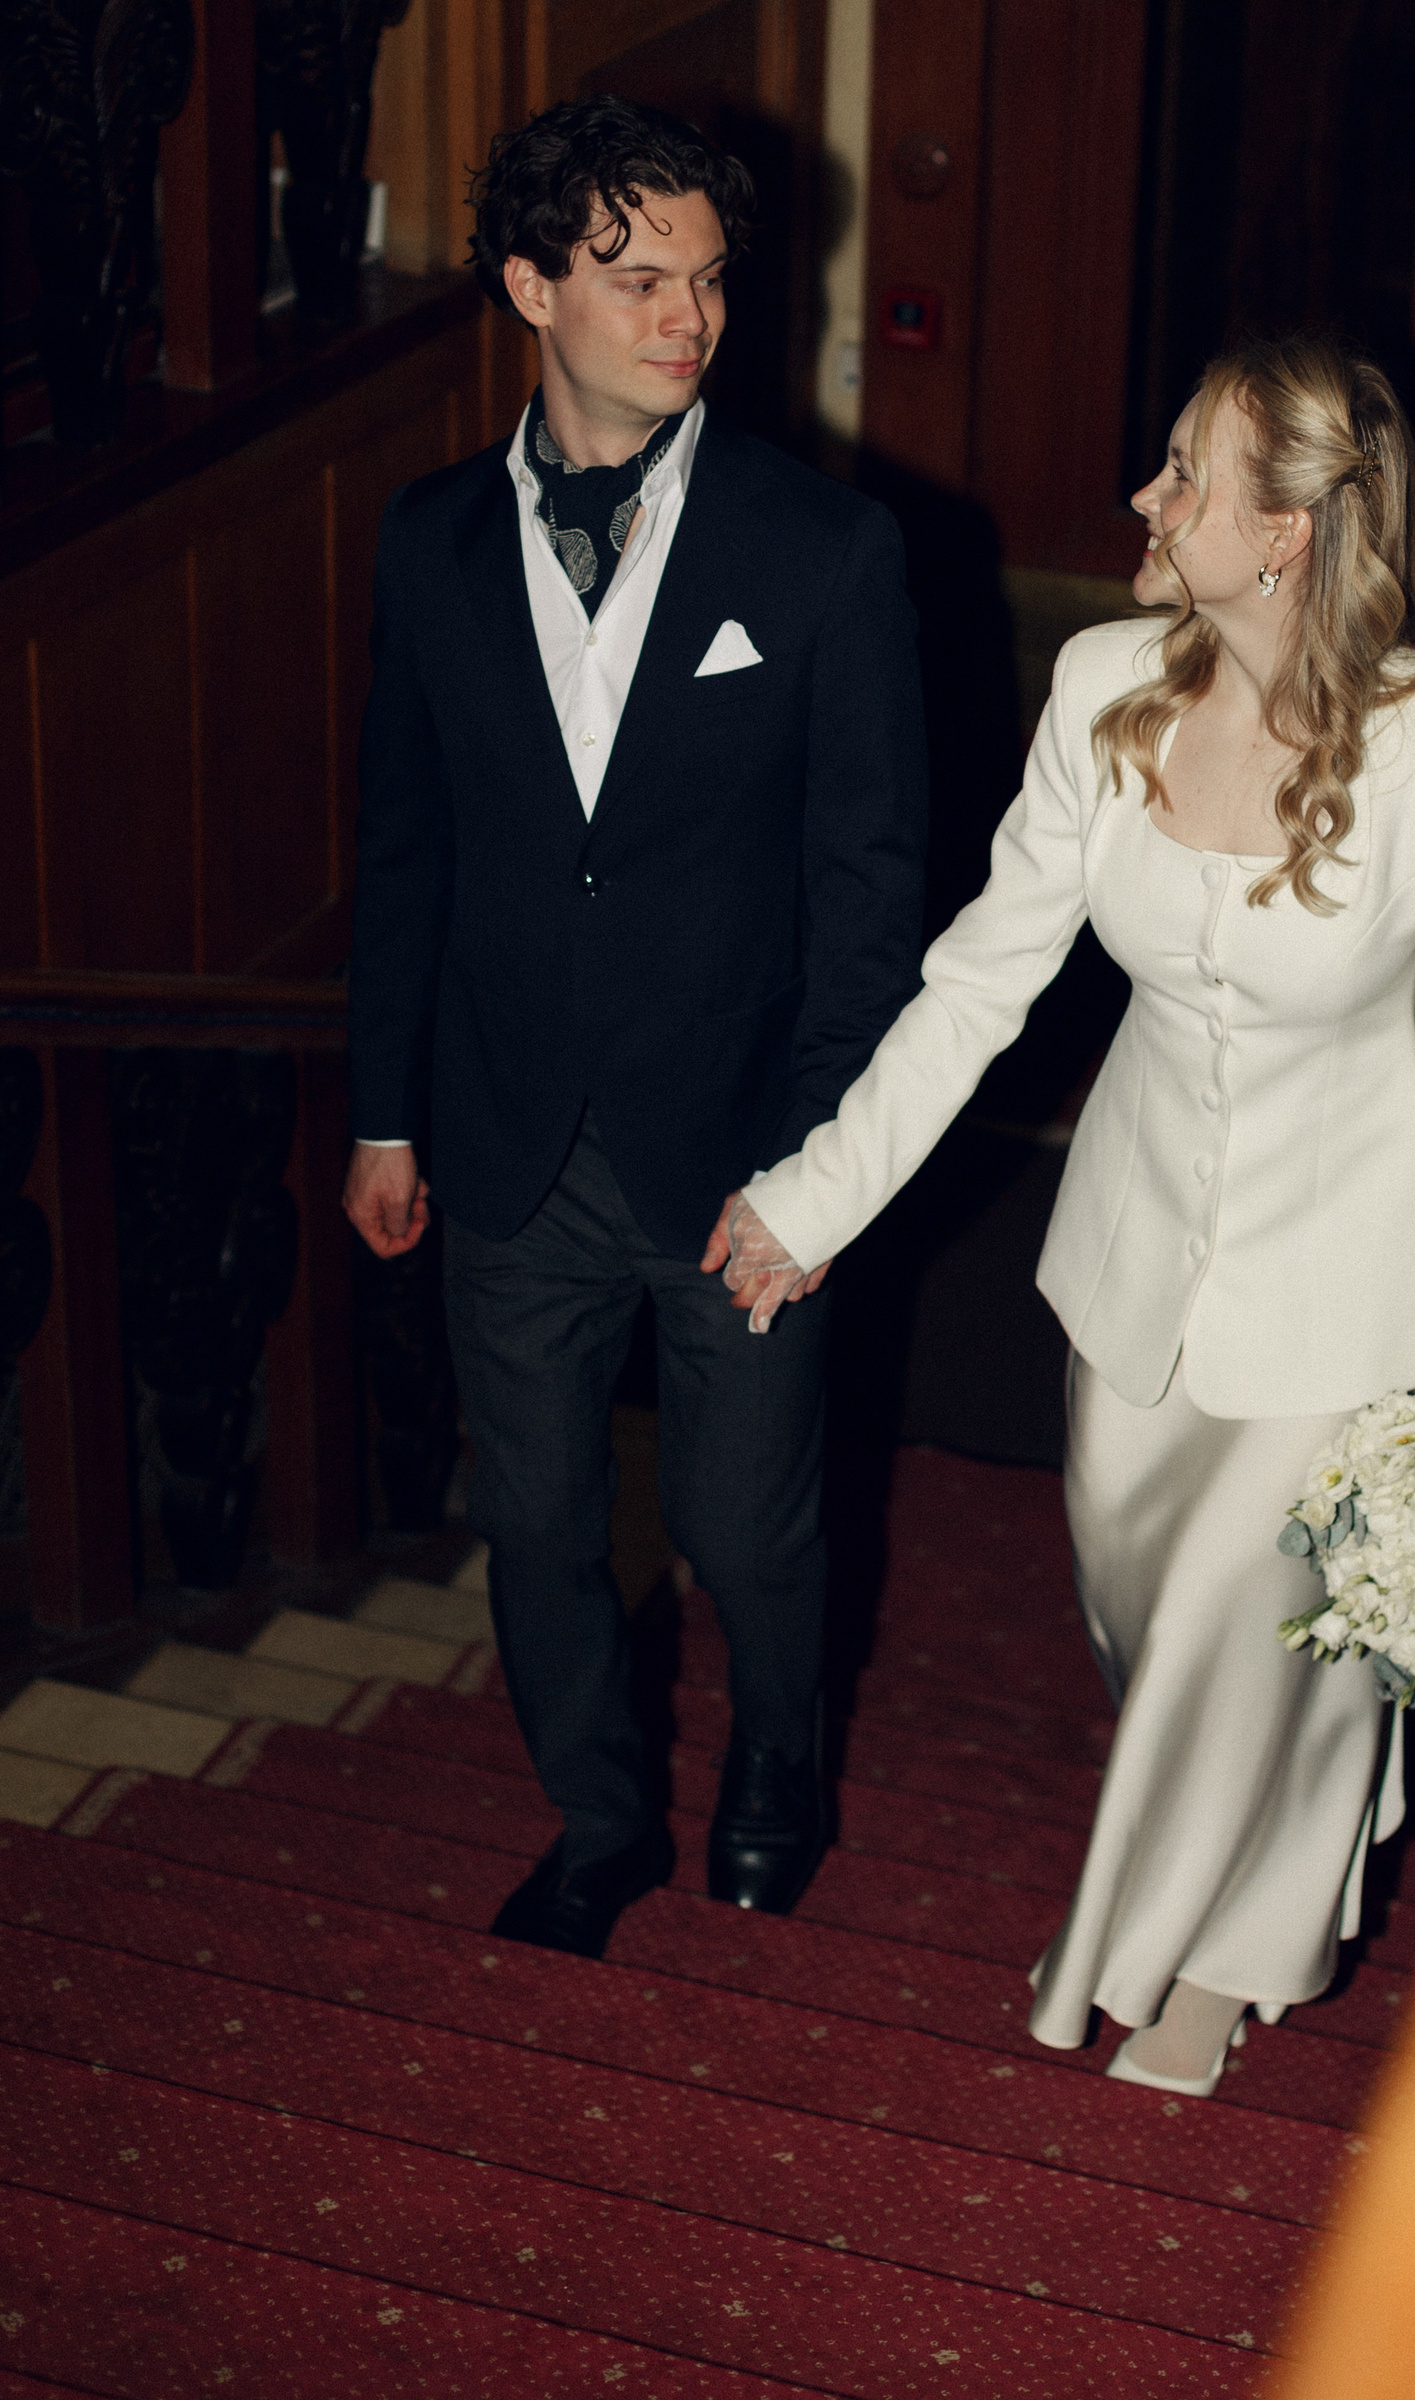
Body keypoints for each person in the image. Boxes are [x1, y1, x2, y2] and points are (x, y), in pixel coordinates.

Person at [705, 334, 1415, 2093]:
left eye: (1185, 473)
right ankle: (1271, 1857)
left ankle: (1188, 1967)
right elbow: (979, 983)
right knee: (1146, 1620)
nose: (1144, 498)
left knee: (1230, 1635)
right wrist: (816, 1195)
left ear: (1288, 534)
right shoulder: (1105, 688)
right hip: (1131, 1273)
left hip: (1346, 1301)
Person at [344, 97, 927, 1959]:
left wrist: (822, 1169)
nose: (691, 318)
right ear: (531, 288)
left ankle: (779, 1765)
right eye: (639, 279)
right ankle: (596, 1819)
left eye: (711, 280)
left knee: (746, 1533)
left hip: (745, 1150)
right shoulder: (429, 541)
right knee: (536, 1524)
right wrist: (383, 1114)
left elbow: (870, 899)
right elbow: (405, 846)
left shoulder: (827, 551)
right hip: (508, 1138)